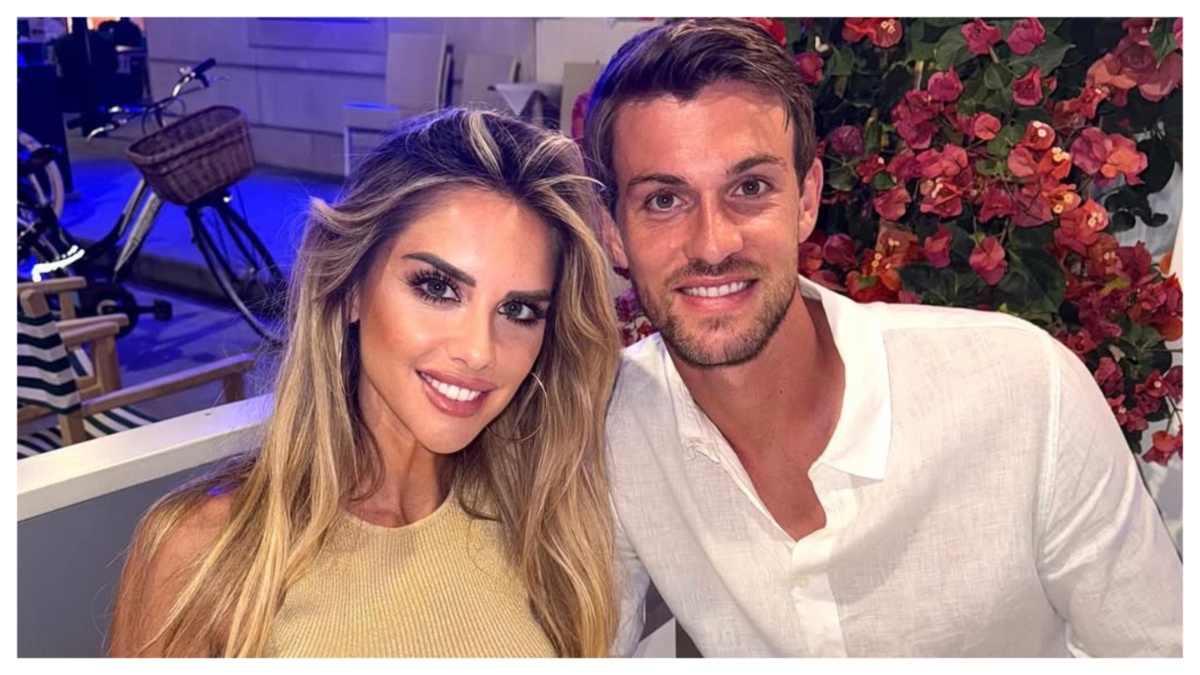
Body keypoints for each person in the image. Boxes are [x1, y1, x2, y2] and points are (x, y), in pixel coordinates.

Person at [582, 18, 1183, 657]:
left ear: (806, 201)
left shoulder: (1027, 390)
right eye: (664, 201)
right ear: (612, 232)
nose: (713, 243)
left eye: (750, 188)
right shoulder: (606, 431)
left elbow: (1155, 651)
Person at [108, 108, 621, 657]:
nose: (478, 352)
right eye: (437, 288)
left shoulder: (544, 526)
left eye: (518, 310)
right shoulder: (207, 552)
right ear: (351, 284)